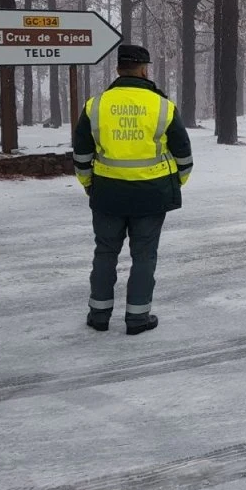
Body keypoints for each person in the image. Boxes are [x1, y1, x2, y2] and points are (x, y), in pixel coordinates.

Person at [72, 44, 192, 335]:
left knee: (105, 253)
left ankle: (99, 315)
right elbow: (184, 155)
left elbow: (81, 154)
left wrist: (89, 184)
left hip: (108, 193)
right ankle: (137, 318)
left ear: (118, 69)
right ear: (143, 69)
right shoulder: (162, 106)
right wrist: (175, 182)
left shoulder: (96, 105)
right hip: (151, 195)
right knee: (144, 256)